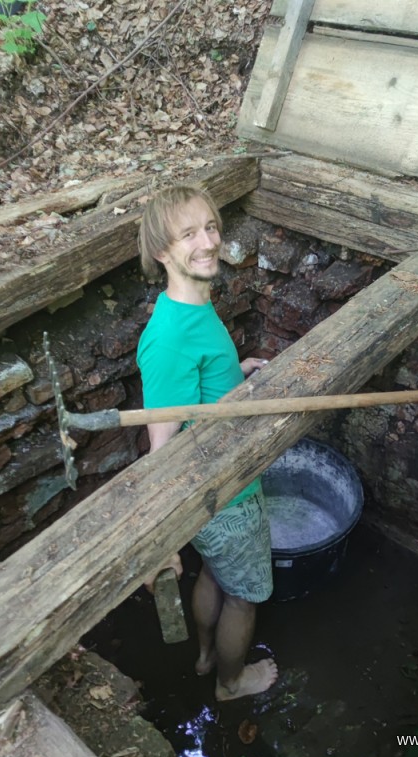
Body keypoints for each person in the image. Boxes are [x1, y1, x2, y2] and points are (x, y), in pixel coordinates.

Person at [136, 184, 278, 701]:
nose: (209, 241)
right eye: (188, 233)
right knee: (244, 595)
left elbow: (189, 396)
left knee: (215, 576)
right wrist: (163, 539)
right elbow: (162, 449)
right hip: (228, 497)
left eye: (211, 227)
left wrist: (230, 377)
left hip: (213, 493)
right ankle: (231, 682)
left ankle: (203, 656)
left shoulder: (192, 305)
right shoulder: (170, 338)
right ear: (161, 251)